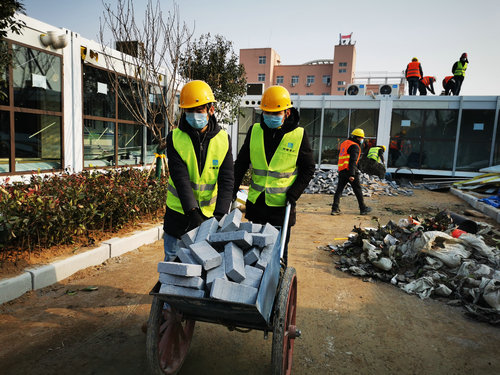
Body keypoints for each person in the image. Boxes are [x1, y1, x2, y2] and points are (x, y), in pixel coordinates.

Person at [233, 85, 315, 265]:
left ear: (287, 112)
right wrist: (231, 190)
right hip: (256, 205)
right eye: (267, 113)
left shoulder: (298, 135)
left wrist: (294, 193)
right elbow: (241, 164)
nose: (271, 117)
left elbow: (308, 168)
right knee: (252, 253)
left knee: (277, 255)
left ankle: (276, 287)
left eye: (276, 113)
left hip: (281, 207)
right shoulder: (255, 131)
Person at [163, 80, 234, 261]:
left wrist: (220, 215)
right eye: (189, 111)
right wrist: (193, 212)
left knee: (204, 270)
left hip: (210, 216)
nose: (194, 115)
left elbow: (227, 181)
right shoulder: (175, 138)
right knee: (173, 263)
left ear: (211, 109)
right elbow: (180, 178)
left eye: (199, 110)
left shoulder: (223, 139)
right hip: (178, 215)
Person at [331, 128, 372, 216]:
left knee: (339, 190)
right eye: (361, 138)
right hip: (350, 171)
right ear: (357, 138)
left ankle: (335, 209)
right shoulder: (355, 146)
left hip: (342, 170)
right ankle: (363, 208)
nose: (362, 140)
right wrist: (352, 174)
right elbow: (352, 160)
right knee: (357, 190)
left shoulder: (345, 143)